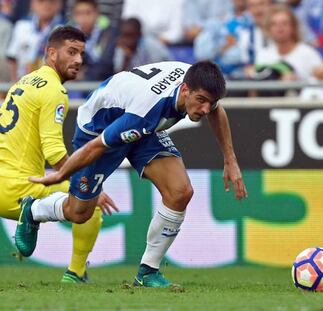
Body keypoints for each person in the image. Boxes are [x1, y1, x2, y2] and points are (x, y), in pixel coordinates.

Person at [16, 60, 248, 287]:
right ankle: (34, 209)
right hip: (99, 129)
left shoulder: (198, 81)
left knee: (180, 191)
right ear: (185, 90)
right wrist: (60, 175)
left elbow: (216, 111)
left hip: (143, 126)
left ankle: (148, 272)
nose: (205, 109)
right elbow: (96, 146)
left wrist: (230, 159)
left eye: (210, 102)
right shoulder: (146, 112)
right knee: (79, 213)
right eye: (201, 101)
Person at [0, 26, 117, 283]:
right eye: (71, 52)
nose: (78, 60)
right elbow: (54, 151)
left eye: (81, 53)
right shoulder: (54, 90)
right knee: (89, 201)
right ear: (52, 53)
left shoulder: (24, 81)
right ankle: (75, 273)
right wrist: (83, 185)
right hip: (18, 188)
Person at [6, 0, 65, 82]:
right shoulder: (21, 26)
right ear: (32, 4)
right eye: (41, 1)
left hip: (53, 83)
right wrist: (15, 82)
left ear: (59, 4)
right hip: (23, 82)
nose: (46, 4)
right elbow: (12, 58)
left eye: (51, 1)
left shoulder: (65, 29)